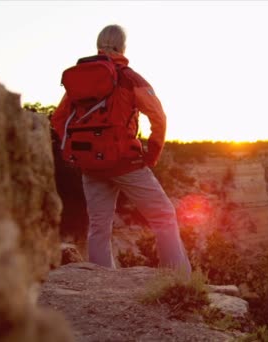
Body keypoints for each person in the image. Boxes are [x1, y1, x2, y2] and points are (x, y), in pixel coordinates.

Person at [51, 24, 191, 275]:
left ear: (98, 45)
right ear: (123, 47)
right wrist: (152, 153)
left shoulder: (79, 78)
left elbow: (59, 119)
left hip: (90, 164)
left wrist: (73, 151)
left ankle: (102, 284)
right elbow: (158, 116)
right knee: (163, 216)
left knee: (98, 226)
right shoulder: (129, 77)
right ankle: (177, 278)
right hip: (126, 162)